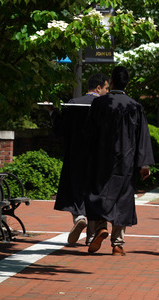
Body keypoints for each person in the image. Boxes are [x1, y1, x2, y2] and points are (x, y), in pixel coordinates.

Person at [85, 66, 154, 255]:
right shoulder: (134, 106)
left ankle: (100, 227)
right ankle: (117, 243)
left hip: (101, 159)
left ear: (111, 81)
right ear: (128, 83)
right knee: (122, 199)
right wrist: (144, 164)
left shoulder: (99, 104)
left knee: (98, 193)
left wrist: (88, 157)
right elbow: (142, 137)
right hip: (126, 159)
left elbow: (90, 133)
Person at [49, 73, 109, 246]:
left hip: (76, 155)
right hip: (98, 157)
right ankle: (91, 236)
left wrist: (53, 112)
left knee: (74, 190)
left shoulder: (73, 103)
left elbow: (60, 130)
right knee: (94, 194)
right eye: (106, 88)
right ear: (98, 88)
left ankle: (79, 217)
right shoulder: (105, 105)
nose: (106, 92)